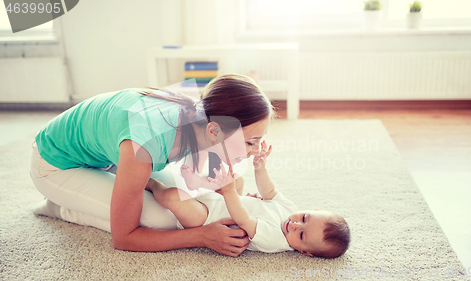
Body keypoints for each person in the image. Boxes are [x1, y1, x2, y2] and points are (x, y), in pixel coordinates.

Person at [30, 74, 272, 257]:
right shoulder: (147, 142)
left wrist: (245, 203)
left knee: (186, 200)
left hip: (108, 158)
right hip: (56, 166)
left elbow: (216, 182)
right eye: (251, 142)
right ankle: (61, 206)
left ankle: (87, 196)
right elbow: (125, 239)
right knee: (164, 220)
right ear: (215, 131)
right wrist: (202, 237)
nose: (255, 151)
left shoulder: (200, 116)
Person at [148, 140, 351, 258]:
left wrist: (228, 193)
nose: (295, 224)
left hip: (208, 218)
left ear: (305, 252)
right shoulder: (290, 209)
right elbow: (269, 190)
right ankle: (198, 182)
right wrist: (260, 167)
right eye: (305, 218)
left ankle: (152, 184)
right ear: (313, 209)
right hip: (225, 200)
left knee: (172, 197)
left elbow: (245, 221)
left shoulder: (276, 240)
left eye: (301, 235)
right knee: (238, 179)